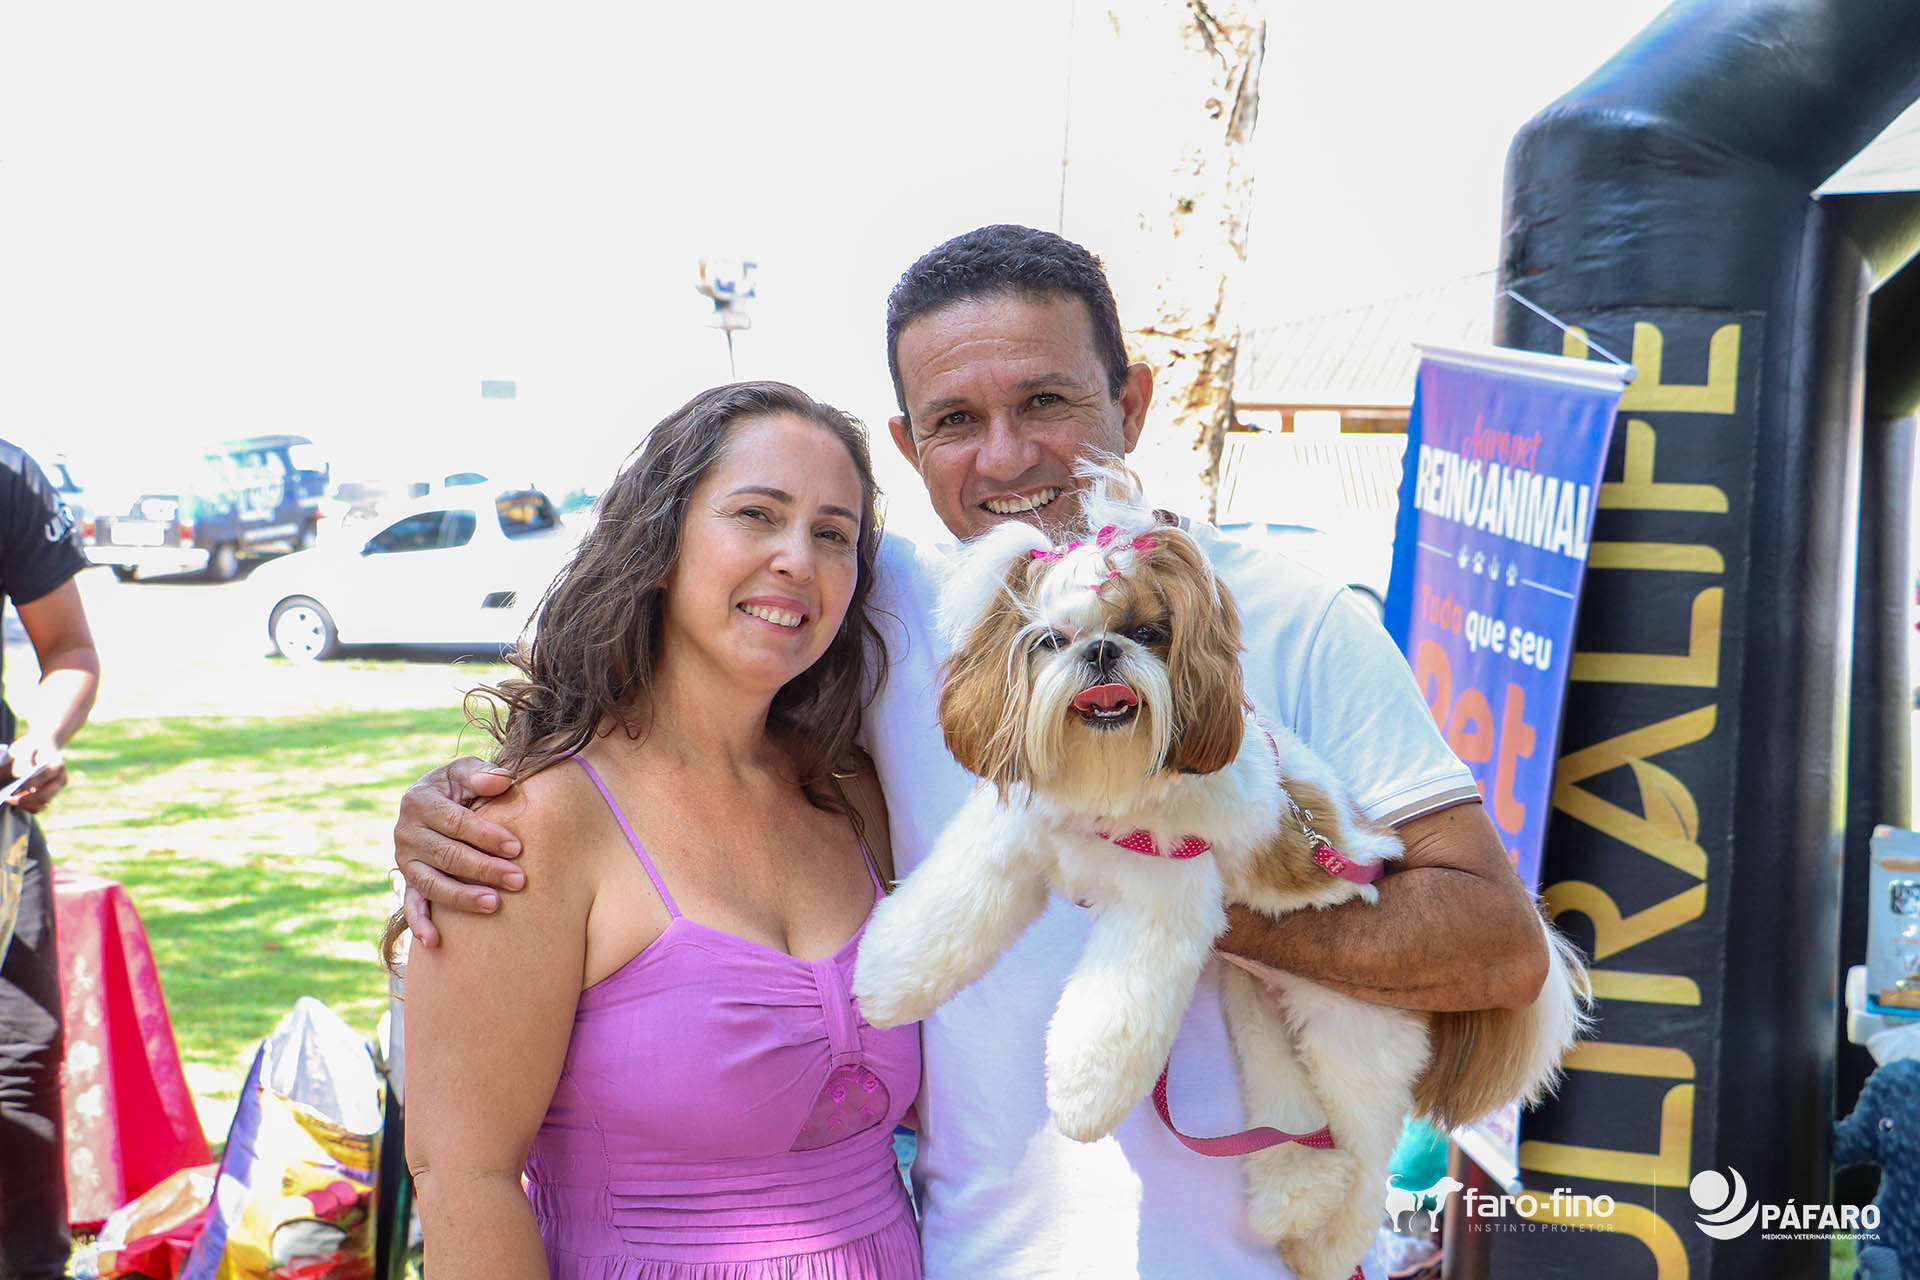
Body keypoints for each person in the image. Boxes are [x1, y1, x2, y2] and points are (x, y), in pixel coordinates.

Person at [395, 227, 1548, 1279]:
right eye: (953, 420)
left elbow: (1498, 949)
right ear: (909, 444)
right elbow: (684, 674)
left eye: (1046, 400)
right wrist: (466, 802)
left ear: (1132, 401)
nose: (1005, 457)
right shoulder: (884, 610)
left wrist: (1181, 877)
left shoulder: (1296, 619)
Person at [399, 381, 922, 1279]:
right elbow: (464, 1180)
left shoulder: (854, 797)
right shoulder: (532, 826)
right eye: (757, 515)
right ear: (661, 544)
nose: (798, 559)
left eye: (833, 534)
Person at [0, 439, 100, 1280]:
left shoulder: (7, 478)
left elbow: (69, 647)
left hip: (0, 825)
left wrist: (42, 736)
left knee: (21, 1054)